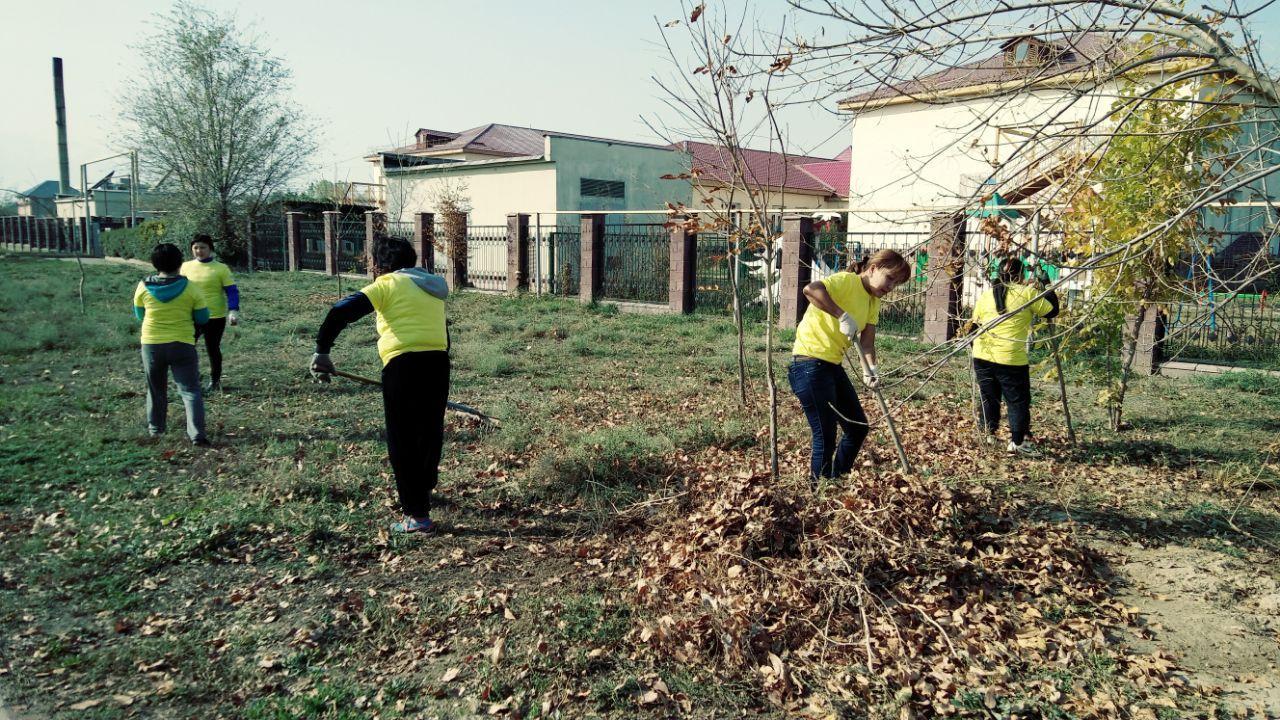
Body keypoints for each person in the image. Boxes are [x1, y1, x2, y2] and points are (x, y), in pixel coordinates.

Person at [309, 236, 450, 534]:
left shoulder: (387, 284)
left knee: (404, 439)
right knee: (429, 433)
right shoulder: (432, 286)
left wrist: (322, 351)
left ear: (379, 265)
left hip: (403, 367)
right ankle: (423, 490)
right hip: (437, 363)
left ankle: (417, 515)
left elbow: (340, 311)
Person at [788, 250, 913, 484]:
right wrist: (842, 315)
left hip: (831, 366)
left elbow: (867, 342)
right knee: (825, 435)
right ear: (873, 268)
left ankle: (836, 479)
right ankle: (819, 491)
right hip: (808, 364)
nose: (891, 287)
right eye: (890, 278)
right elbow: (811, 290)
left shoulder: (872, 301)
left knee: (857, 428)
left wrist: (870, 370)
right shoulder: (847, 281)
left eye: (897, 283)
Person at [970, 256, 1060, 455]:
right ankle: (1018, 443)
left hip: (982, 354)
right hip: (1010, 359)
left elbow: (973, 326)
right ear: (1021, 275)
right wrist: (1046, 284)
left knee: (989, 397)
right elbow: (1052, 311)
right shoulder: (1027, 293)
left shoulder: (986, 295)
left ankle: (989, 434)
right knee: (1017, 400)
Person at [134, 243, 211, 446]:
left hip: (151, 344)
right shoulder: (191, 288)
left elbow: (139, 314)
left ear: (154, 263)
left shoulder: (143, 286)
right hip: (182, 343)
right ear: (179, 263)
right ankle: (197, 435)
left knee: (155, 389)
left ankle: (156, 430)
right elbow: (203, 317)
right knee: (190, 390)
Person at [180, 234, 240, 392]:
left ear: (210, 249)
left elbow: (232, 291)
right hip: (190, 316)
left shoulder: (220, 268)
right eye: (196, 248)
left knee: (212, 348)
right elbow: (179, 289)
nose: (199, 251)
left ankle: (215, 381)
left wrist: (233, 310)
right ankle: (190, 379)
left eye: (203, 247)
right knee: (186, 348)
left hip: (214, 316)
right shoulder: (185, 267)